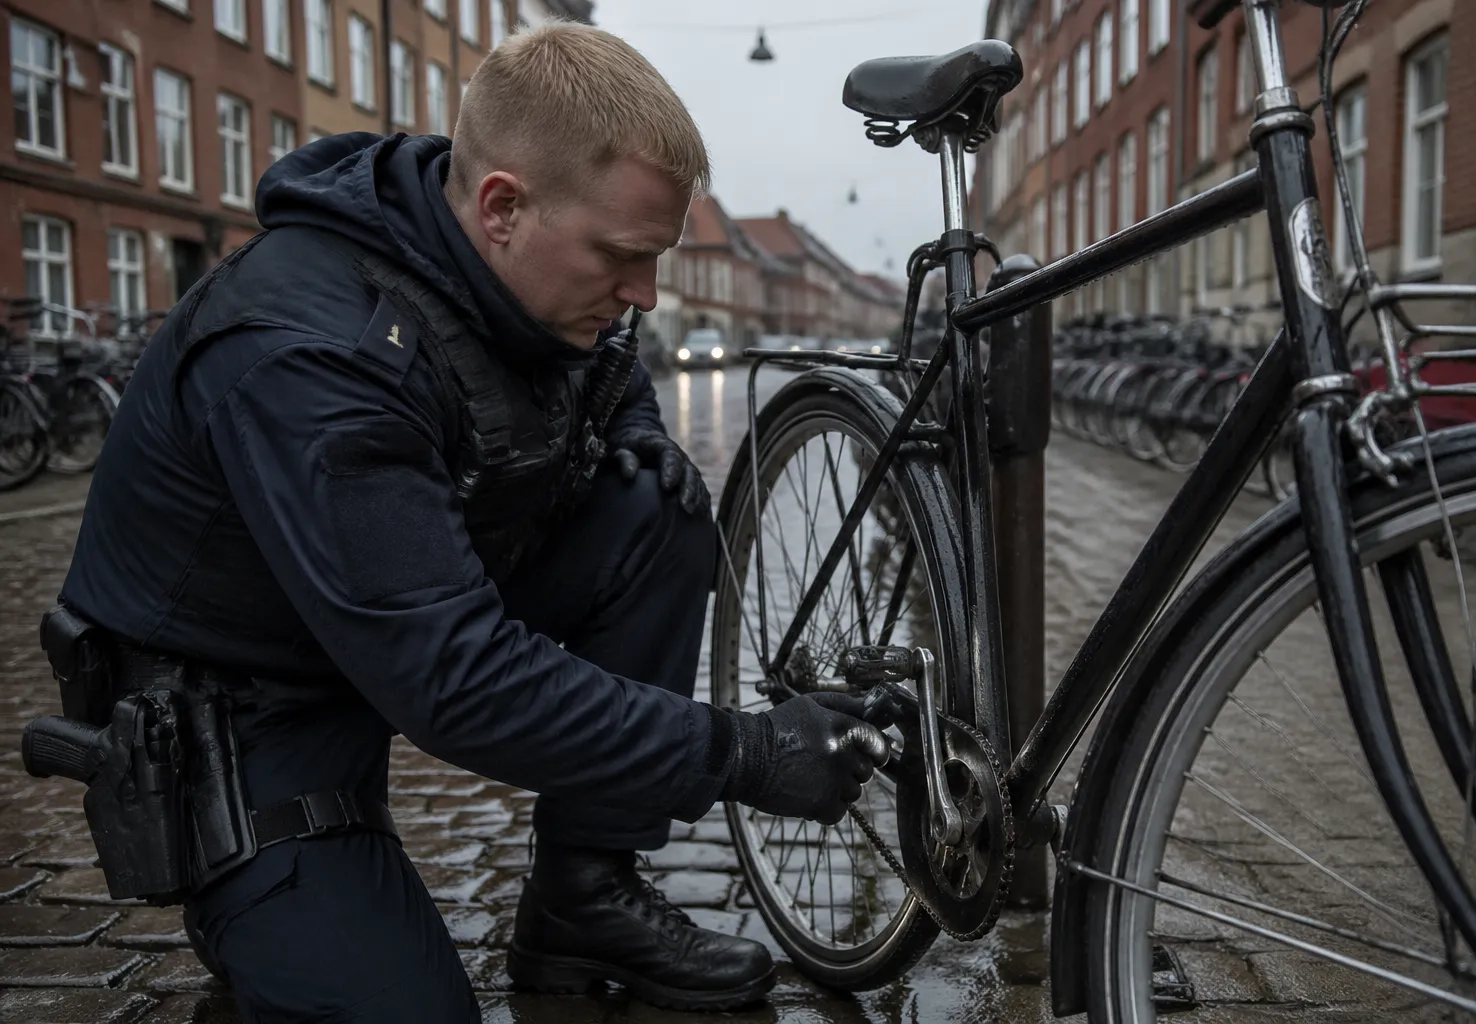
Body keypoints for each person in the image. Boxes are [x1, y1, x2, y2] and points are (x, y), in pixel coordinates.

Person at [52, 22, 888, 1022]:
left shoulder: (509, 271)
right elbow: (460, 678)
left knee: (655, 510)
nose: (646, 294)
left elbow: (606, 373)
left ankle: (585, 896)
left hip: (374, 629)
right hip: (243, 710)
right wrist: (750, 753)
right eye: (624, 258)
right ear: (501, 207)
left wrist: (644, 437)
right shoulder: (316, 359)